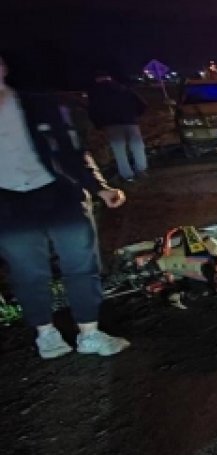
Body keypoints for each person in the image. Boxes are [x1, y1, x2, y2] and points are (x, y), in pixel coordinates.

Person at [0, 51, 131, 359]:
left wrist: (99, 188)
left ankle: (90, 334)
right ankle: (46, 336)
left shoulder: (40, 104)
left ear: (3, 67)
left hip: (60, 194)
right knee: (27, 273)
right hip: (8, 204)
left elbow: (73, 150)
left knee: (82, 267)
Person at [86, 69, 148, 182]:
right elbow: (143, 105)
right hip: (130, 122)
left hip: (112, 125)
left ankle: (127, 175)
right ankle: (141, 170)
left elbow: (93, 110)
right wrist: (134, 115)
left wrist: (98, 124)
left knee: (120, 151)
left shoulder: (97, 93)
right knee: (137, 147)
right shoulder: (124, 90)